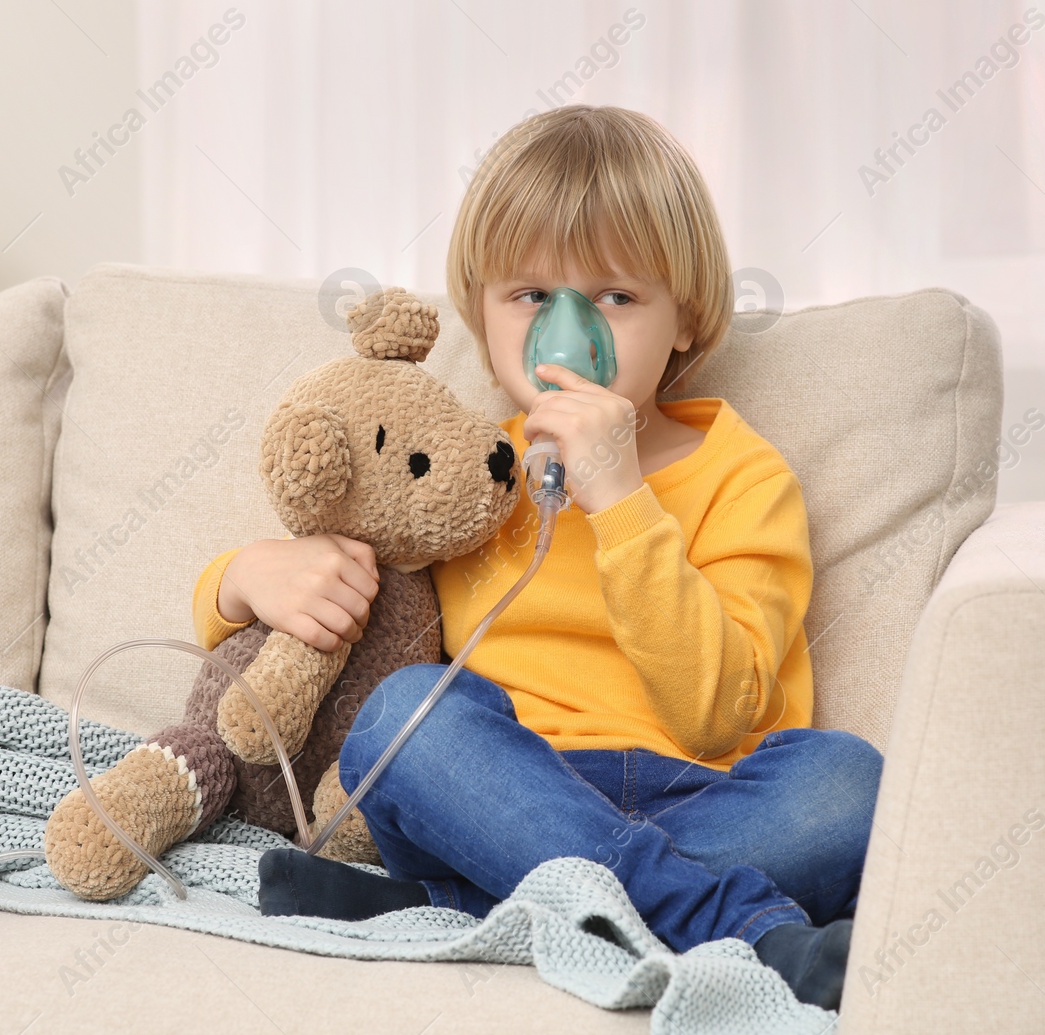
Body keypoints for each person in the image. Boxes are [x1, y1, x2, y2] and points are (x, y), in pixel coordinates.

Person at [190, 104, 882, 1010]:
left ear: (687, 318)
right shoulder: (470, 470)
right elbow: (327, 581)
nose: (567, 331)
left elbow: (721, 711)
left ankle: (461, 904)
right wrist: (243, 579)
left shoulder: (744, 476)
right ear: (481, 312)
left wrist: (624, 500)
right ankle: (739, 921)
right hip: (499, 788)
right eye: (531, 296)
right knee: (409, 716)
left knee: (851, 783)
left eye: (615, 297)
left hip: (703, 791)